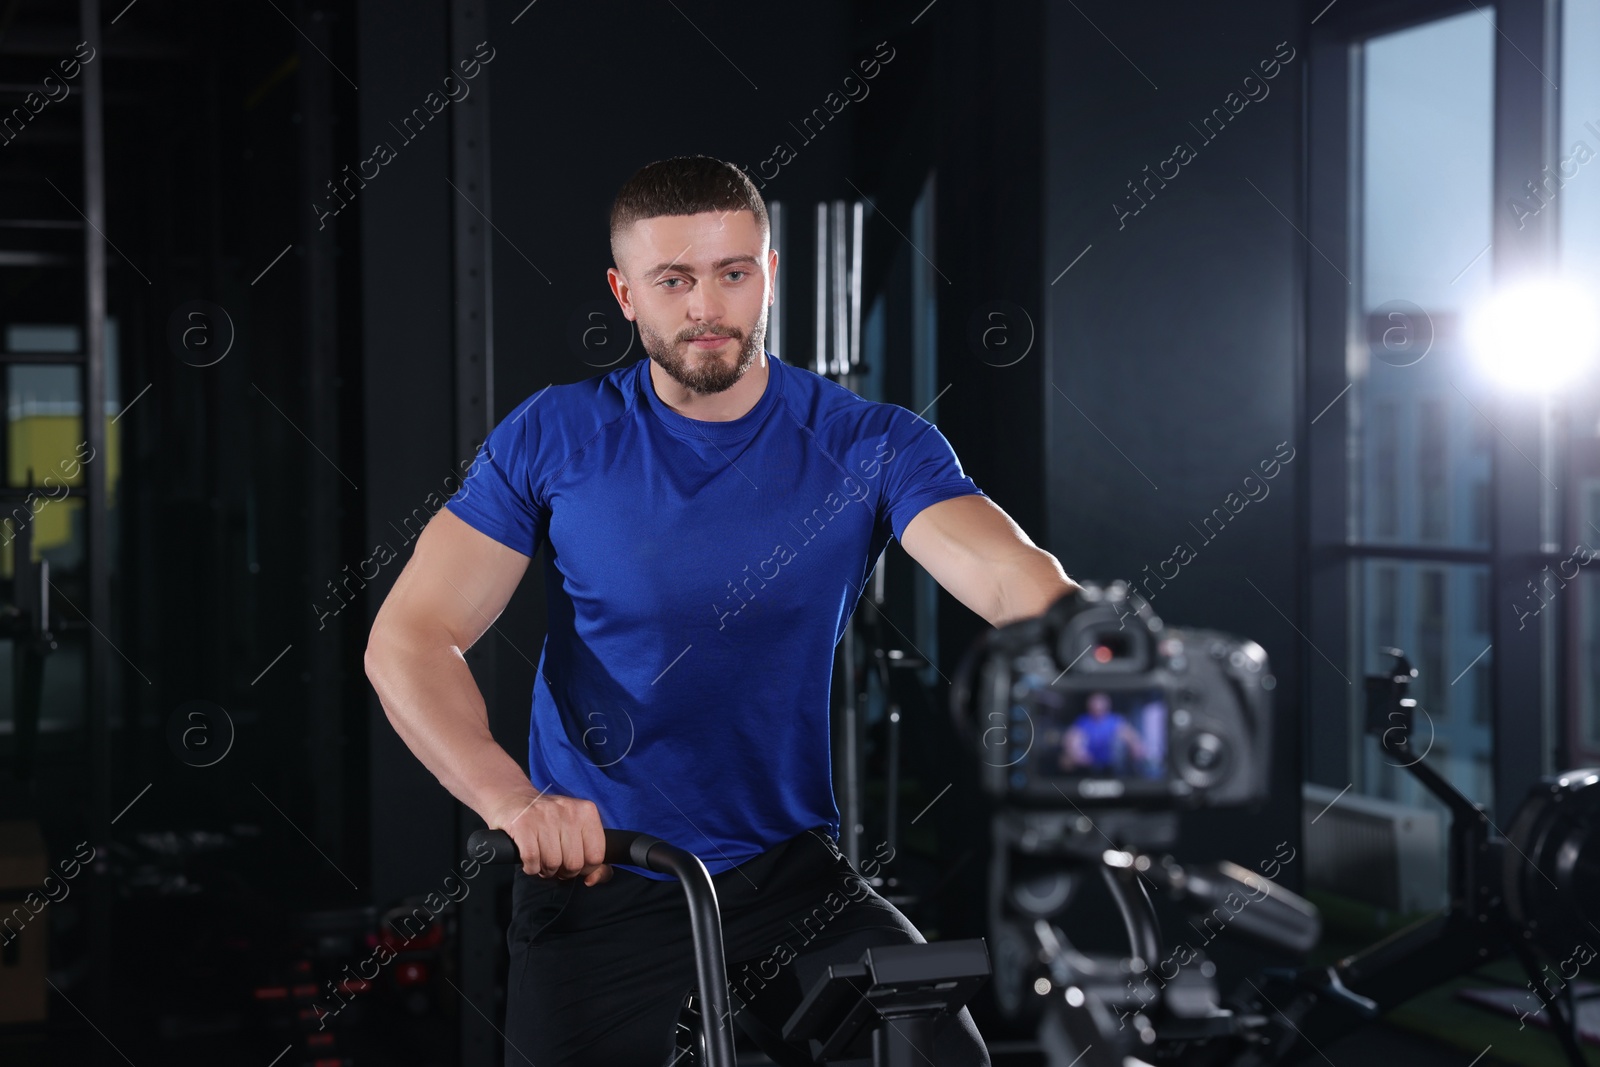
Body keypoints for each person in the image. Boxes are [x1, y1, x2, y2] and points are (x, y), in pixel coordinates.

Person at [365, 155, 1078, 1067]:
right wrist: (513, 799)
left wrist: (1080, 632)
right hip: (605, 872)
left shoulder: (870, 443)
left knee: (937, 1052)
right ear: (626, 294)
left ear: (769, 275)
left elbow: (1009, 573)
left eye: (734, 273)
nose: (708, 307)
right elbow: (412, 639)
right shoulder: (555, 436)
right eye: (675, 279)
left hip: (787, 871)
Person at [1060, 691, 1146, 774]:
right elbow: (1072, 737)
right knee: (1066, 759)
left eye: (1100, 703)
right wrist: (1075, 751)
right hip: (1088, 760)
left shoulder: (1115, 720)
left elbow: (1130, 735)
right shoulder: (1083, 721)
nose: (1097, 707)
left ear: (1106, 705)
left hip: (1112, 761)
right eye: (1094, 704)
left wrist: (1135, 746)